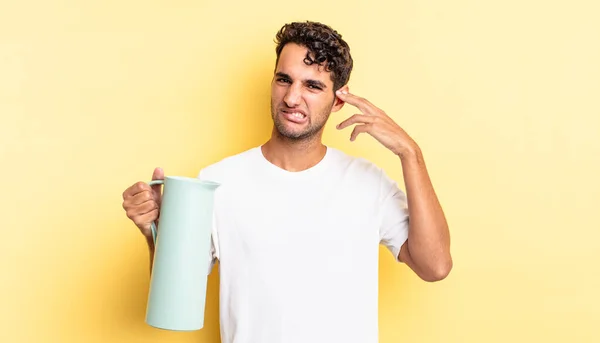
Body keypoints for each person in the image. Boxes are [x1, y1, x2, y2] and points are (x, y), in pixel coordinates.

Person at [122, 21, 452, 343]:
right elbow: (174, 302)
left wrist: (410, 152)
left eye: (312, 86)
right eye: (284, 79)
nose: (292, 98)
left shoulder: (368, 183)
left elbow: (434, 266)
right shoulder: (219, 181)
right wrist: (156, 233)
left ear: (338, 100)